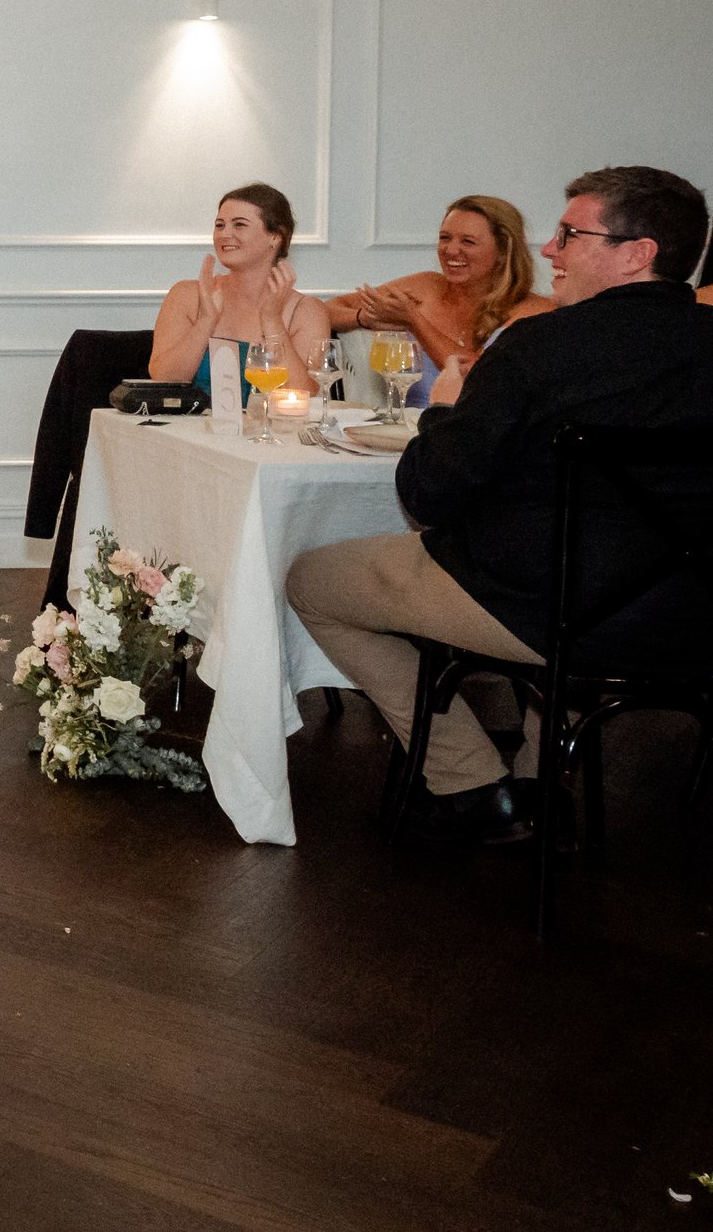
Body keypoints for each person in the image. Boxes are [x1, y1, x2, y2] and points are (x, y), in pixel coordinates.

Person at [288, 166, 713, 844]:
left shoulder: (539, 349)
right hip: (694, 618)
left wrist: (447, 412)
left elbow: (426, 492)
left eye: (570, 234)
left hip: (547, 610)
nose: (549, 249)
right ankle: (543, 779)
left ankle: (472, 785)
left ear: (639, 253)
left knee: (310, 579)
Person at [326, 195, 552, 404]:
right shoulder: (425, 286)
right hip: (408, 437)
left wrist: (414, 320)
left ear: (504, 252)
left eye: (468, 242)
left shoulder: (535, 310)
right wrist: (365, 318)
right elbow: (327, 309)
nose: (451, 250)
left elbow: (480, 378)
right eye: (445, 238)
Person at [149, 183, 332, 406]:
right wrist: (206, 321)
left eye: (239, 225)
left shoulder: (307, 311)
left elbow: (304, 397)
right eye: (220, 225)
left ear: (275, 236)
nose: (225, 234)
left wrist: (272, 320)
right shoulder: (187, 295)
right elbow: (164, 379)